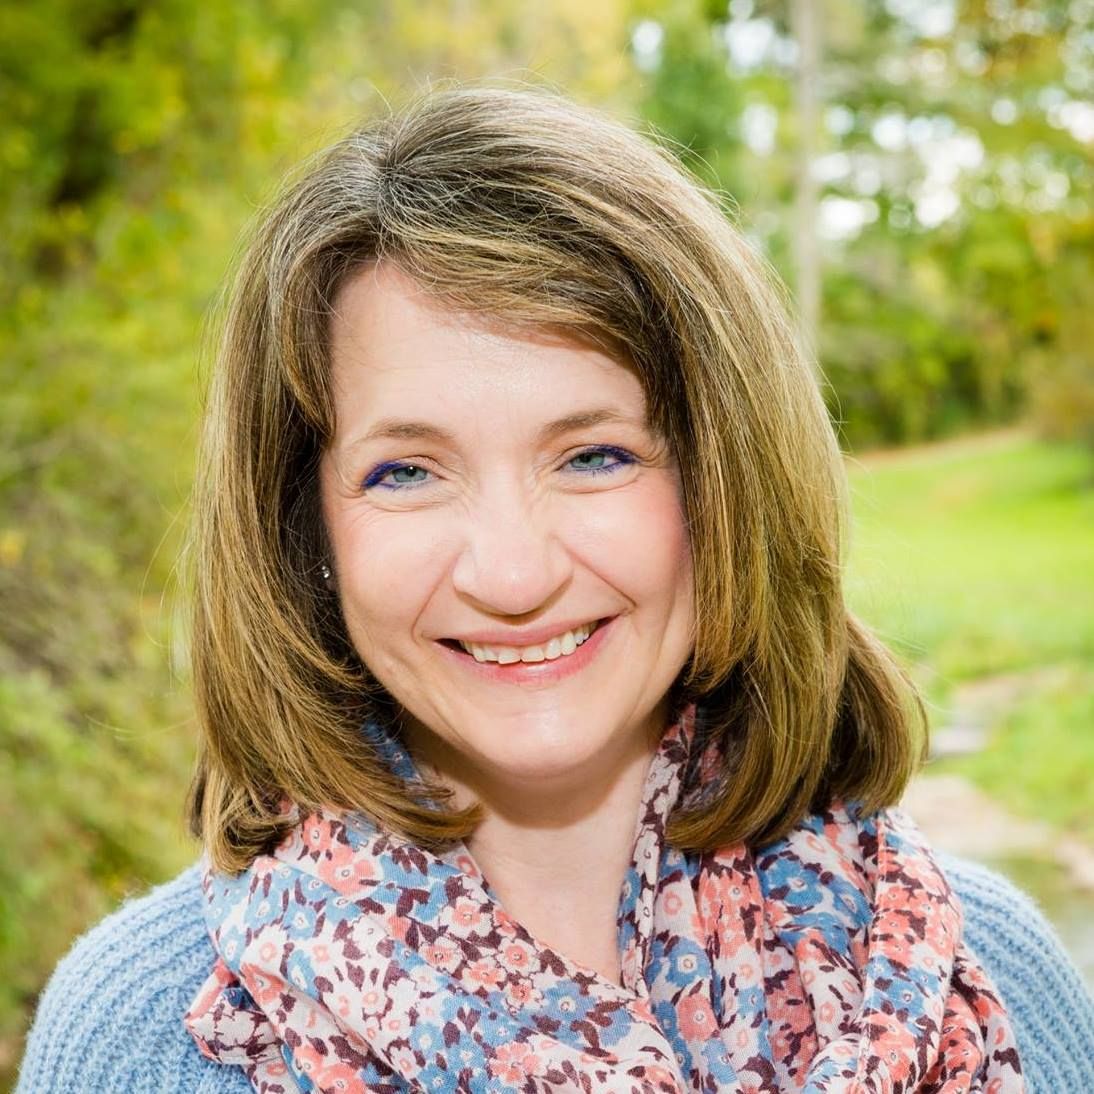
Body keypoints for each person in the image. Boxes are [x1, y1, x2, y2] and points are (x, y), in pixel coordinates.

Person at [16, 85, 1094, 1093]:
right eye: (406, 472)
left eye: (594, 456)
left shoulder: (989, 973)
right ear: (305, 532)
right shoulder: (145, 1038)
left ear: (728, 485)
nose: (514, 573)